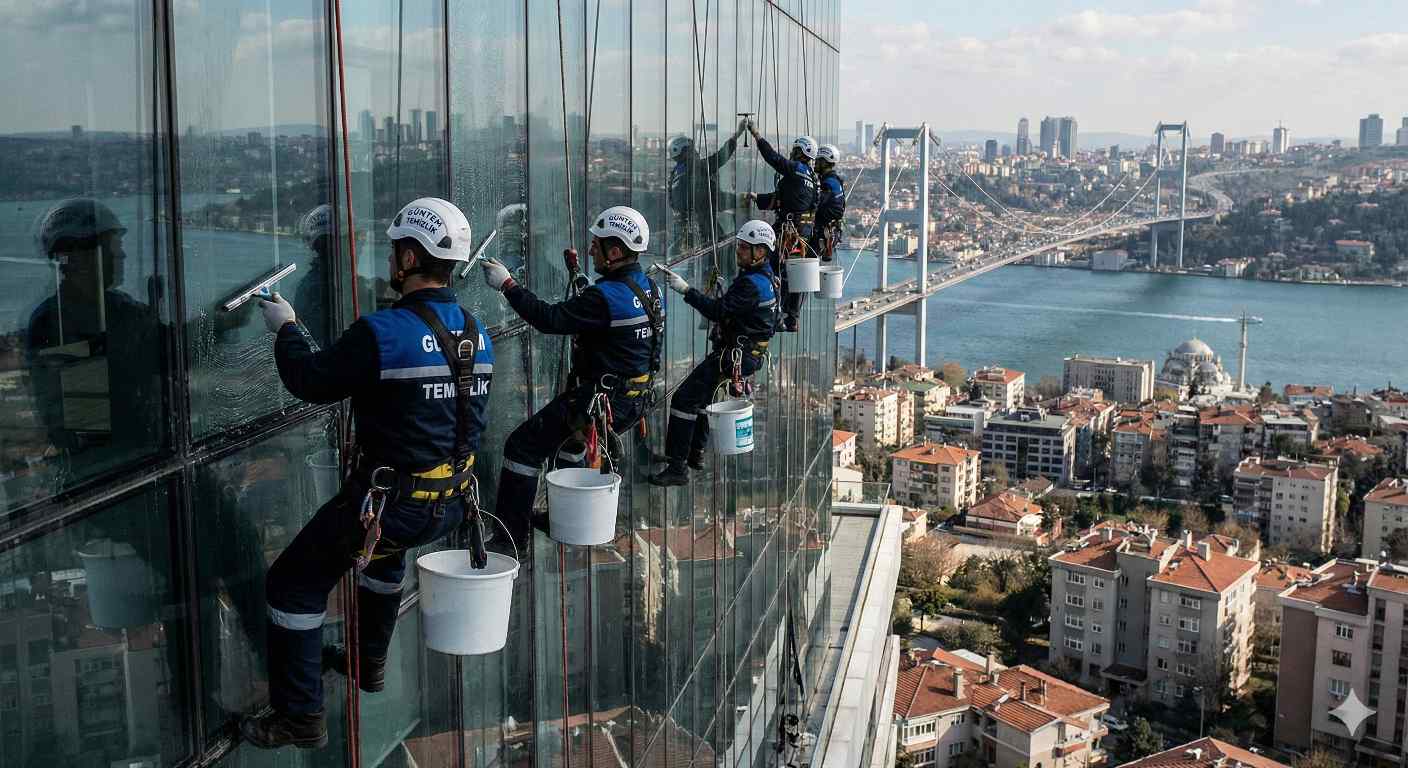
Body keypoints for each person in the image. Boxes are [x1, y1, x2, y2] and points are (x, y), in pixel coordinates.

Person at [240, 197, 494, 749]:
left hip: (389, 503)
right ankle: (369, 663)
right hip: (449, 502)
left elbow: (311, 379)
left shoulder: (383, 332)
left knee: (292, 584)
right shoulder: (478, 333)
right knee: (383, 558)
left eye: (392, 252)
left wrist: (285, 326)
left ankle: (300, 716)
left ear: (406, 258)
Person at [478, 205, 664, 538]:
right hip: (632, 401)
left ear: (616, 250)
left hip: (597, 403)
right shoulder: (649, 289)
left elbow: (550, 320)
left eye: (598, 243)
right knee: (568, 448)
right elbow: (612, 320)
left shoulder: (604, 298)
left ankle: (510, 537)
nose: (591, 248)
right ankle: (564, 517)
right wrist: (586, 286)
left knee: (522, 447)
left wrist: (508, 285)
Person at [647, 220, 780, 486]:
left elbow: (717, 312)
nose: (739, 251)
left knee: (685, 400)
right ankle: (694, 453)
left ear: (761, 252)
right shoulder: (768, 280)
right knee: (702, 399)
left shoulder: (752, 284)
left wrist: (686, 290)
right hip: (746, 354)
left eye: (745, 247)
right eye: (740, 246)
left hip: (734, 355)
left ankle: (677, 467)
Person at [744, 125, 818, 331]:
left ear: (799, 153)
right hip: (802, 231)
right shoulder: (812, 177)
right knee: (791, 273)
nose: (792, 155)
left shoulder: (797, 170)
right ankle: (790, 316)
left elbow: (773, 158)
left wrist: (757, 135)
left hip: (790, 230)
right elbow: (787, 200)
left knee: (771, 265)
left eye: (795, 151)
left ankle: (769, 307)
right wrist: (759, 198)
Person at [667, 120, 747, 253]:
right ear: (685, 151)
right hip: (702, 227)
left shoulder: (678, 172)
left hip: (686, 228)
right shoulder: (695, 170)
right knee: (720, 250)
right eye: (692, 149)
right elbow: (720, 158)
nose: (696, 152)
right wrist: (740, 200)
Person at [808, 144, 846, 264]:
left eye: (818, 161)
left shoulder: (828, 183)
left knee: (807, 260)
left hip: (823, 232)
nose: (815, 163)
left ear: (825, 162)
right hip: (830, 231)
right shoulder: (835, 181)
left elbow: (816, 203)